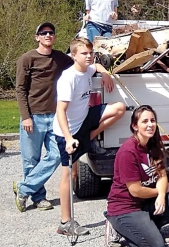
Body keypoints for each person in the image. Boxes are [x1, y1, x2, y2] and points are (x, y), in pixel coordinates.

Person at [53, 37, 126, 235]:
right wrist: (68, 138)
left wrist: (106, 74)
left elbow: (96, 66)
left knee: (120, 108)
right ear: (73, 56)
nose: (88, 56)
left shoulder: (88, 69)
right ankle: (65, 222)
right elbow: (60, 112)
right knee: (68, 174)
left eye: (90, 53)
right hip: (67, 132)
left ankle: (91, 136)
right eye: (84, 53)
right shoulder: (68, 78)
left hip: (85, 121)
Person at [105, 105, 169, 247]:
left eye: (153, 120)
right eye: (145, 121)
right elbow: (135, 190)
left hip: (145, 203)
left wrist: (162, 196)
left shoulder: (153, 144)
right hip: (125, 208)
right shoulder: (128, 151)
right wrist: (160, 191)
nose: (150, 124)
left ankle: (148, 229)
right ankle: (116, 227)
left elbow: (162, 176)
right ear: (135, 126)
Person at [14, 22, 73, 213]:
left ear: (54, 37)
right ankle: (39, 198)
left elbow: (80, 64)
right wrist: (26, 117)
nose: (48, 35)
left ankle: (23, 188)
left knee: (56, 155)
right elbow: (20, 89)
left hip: (56, 117)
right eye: (44, 33)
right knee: (31, 160)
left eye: (51, 33)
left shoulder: (61, 59)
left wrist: (101, 71)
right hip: (33, 117)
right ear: (37, 36)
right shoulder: (27, 59)